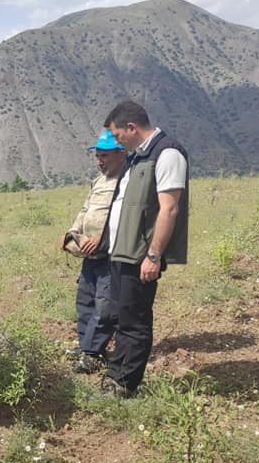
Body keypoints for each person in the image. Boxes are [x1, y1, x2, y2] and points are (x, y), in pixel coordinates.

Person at [101, 100, 189, 397]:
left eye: (117, 135)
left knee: (134, 320)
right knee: (120, 316)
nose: (116, 141)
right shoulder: (136, 157)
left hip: (140, 255)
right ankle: (116, 375)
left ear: (132, 127)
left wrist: (153, 255)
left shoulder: (167, 154)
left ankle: (125, 385)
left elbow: (169, 209)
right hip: (121, 251)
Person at [62, 129, 123, 373]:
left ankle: (93, 353)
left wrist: (101, 237)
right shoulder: (99, 181)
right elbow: (86, 209)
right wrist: (72, 232)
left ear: (121, 154)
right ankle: (85, 345)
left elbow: (121, 217)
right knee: (85, 301)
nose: (100, 161)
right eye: (98, 156)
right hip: (89, 254)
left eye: (105, 156)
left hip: (110, 254)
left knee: (104, 305)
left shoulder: (126, 182)